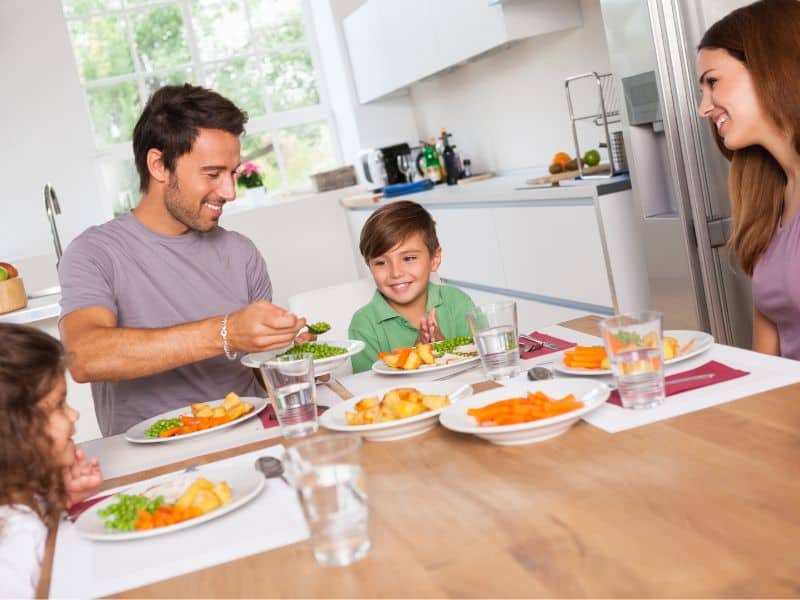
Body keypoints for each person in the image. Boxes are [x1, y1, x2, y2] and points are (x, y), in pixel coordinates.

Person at [58, 84, 306, 436]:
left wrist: (296, 358)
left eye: (232, 173)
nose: (229, 192)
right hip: (151, 461)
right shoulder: (95, 253)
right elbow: (85, 357)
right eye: (212, 174)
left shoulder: (241, 253)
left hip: (250, 438)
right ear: (159, 165)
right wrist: (227, 332)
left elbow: (261, 370)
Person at [696, 0, 800, 359]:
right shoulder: (770, 198)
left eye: (713, 82)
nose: (703, 107)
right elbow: (766, 361)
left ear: (771, 68)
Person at [0, 324, 102, 599]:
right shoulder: (12, 549)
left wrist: (59, 502)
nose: (74, 415)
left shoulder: (24, 500)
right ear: (13, 428)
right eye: (59, 405)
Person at [348, 200, 475, 373]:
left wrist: (442, 349)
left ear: (434, 259)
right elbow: (369, 389)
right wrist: (414, 357)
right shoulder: (364, 324)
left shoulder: (457, 302)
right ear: (369, 266)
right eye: (381, 263)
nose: (396, 273)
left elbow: (482, 361)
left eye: (408, 258)